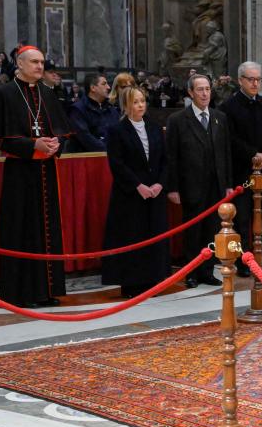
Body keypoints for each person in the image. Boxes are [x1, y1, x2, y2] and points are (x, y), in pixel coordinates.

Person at [0, 45, 72, 307]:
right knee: (22, 230)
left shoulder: (47, 93)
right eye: (34, 62)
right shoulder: (5, 93)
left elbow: (63, 132)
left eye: (42, 62)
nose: (40, 67)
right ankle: (22, 293)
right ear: (19, 64)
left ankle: (46, 291)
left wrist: (56, 145)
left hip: (47, 171)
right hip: (20, 174)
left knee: (47, 229)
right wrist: (33, 145)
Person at [165, 75, 233, 288]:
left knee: (212, 229)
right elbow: (171, 156)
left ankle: (207, 270)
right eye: (200, 90)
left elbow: (226, 153)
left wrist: (228, 184)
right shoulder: (177, 120)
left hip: (216, 185)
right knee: (193, 231)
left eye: (207, 89)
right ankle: (191, 272)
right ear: (190, 93)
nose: (205, 94)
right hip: (191, 185)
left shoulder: (219, 117)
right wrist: (173, 187)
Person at [102, 87, 169, 298]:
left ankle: (154, 281)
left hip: (154, 193)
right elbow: (117, 164)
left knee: (154, 236)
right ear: (126, 105)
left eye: (142, 101)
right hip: (130, 194)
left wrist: (160, 184)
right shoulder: (117, 130)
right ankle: (132, 284)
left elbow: (165, 160)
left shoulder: (155, 128)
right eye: (135, 102)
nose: (140, 105)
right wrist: (138, 186)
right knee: (133, 237)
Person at [222, 61, 262, 276]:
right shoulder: (228, 106)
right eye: (251, 79)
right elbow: (231, 139)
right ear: (240, 80)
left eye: (258, 79)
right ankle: (242, 261)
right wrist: (253, 155)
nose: (255, 83)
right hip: (241, 172)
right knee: (242, 219)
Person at [67, 73, 119, 152]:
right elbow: (86, 138)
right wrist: (109, 151)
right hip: (89, 160)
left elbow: (119, 132)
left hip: (113, 159)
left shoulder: (111, 109)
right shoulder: (78, 110)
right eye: (104, 84)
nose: (108, 87)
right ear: (93, 88)